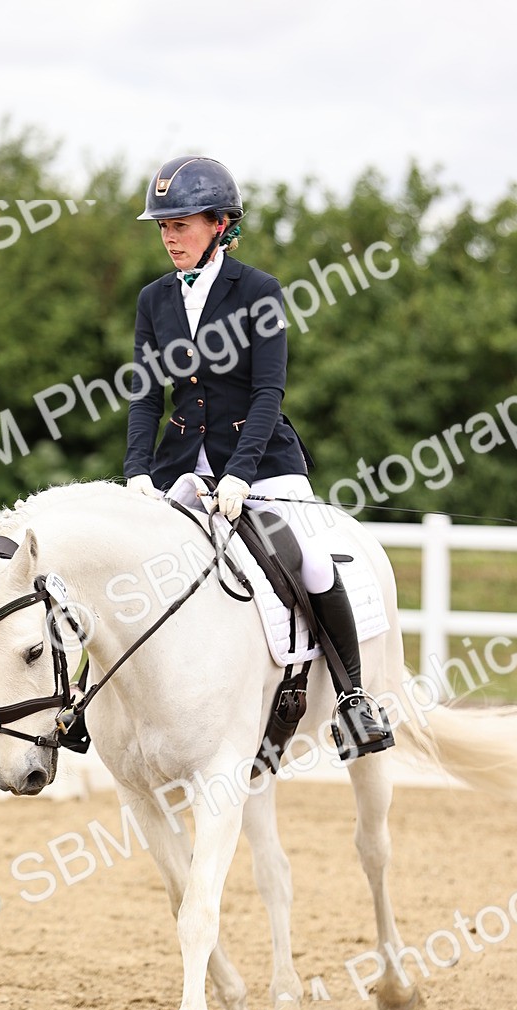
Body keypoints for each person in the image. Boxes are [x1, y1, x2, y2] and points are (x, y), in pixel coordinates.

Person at [124, 154, 392, 757]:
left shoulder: (259, 291)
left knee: (313, 560)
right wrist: (137, 470)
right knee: (125, 569)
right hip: (180, 466)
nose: (170, 238)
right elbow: (146, 393)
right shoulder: (153, 300)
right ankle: (97, 707)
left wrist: (242, 473)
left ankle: (352, 699)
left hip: (263, 462)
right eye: (163, 227)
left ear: (220, 223)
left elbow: (268, 391)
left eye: (181, 225)